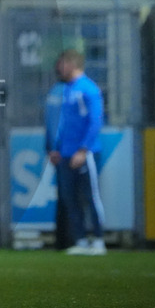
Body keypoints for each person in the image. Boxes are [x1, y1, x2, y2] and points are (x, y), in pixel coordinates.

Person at [48, 49, 106, 256]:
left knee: (91, 197)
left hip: (84, 153)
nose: (58, 68)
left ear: (71, 64)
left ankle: (98, 241)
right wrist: (55, 149)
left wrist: (83, 150)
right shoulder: (64, 90)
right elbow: (61, 124)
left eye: (62, 63)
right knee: (69, 199)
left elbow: (95, 121)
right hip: (64, 154)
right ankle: (80, 240)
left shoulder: (88, 89)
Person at [44, 58, 71, 250]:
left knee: (64, 196)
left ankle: (62, 240)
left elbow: (49, 123)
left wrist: (50, 148)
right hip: (67, 150)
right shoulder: (68, 92)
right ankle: (69, 240)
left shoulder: (53, 92)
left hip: (59, 150)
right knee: (70, 198)